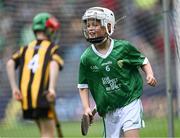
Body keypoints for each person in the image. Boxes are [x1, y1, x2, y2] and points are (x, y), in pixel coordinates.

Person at [77, 7, 157, 138]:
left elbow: (143, 60)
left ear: (108, 26)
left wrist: (149, 74)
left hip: (129, 102)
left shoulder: (124, 47)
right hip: (108, 111)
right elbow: (83, 85)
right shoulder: (86, 58)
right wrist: (86, 108)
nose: (90, 28)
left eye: (95, 24)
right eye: (88, 25)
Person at [6, 12, 64, 138]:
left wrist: (14, 88)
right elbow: (54, 63)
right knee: (49, 133)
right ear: (48, 29)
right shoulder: (52, 47)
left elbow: (10, 63)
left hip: (26, 96)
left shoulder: (25, 48)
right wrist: (52, 88)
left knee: (43, 132)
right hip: (43, 95)